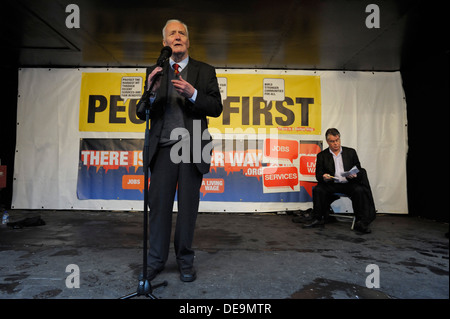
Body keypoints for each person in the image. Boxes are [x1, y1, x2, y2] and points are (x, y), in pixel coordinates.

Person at [136, 19, 223, 282]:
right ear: (165, 42)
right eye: (172, 33)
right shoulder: (156, 70)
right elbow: (141, 113)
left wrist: (193, 93)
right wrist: (150, 91)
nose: (177, 36)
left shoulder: (205, 71)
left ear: (188, 40)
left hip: (191, 148)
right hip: (162, 150)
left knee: (187, 209)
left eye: (182, 33)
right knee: (159, 208)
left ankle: (185, 261)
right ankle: (155, 262)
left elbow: (216, 107)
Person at [303, 128, 376, 234]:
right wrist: (324, 177)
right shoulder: (322, 156)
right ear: (328, 142)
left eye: (337, 140)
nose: (336, 143)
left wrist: (354, 174)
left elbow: (359, 169)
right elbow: (318, 175)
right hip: (332, 183)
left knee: (359, 190)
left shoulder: (350, 152)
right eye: (332, 141)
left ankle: (360, 222)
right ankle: (318, 218)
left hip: (348, 183)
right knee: (318, 189)